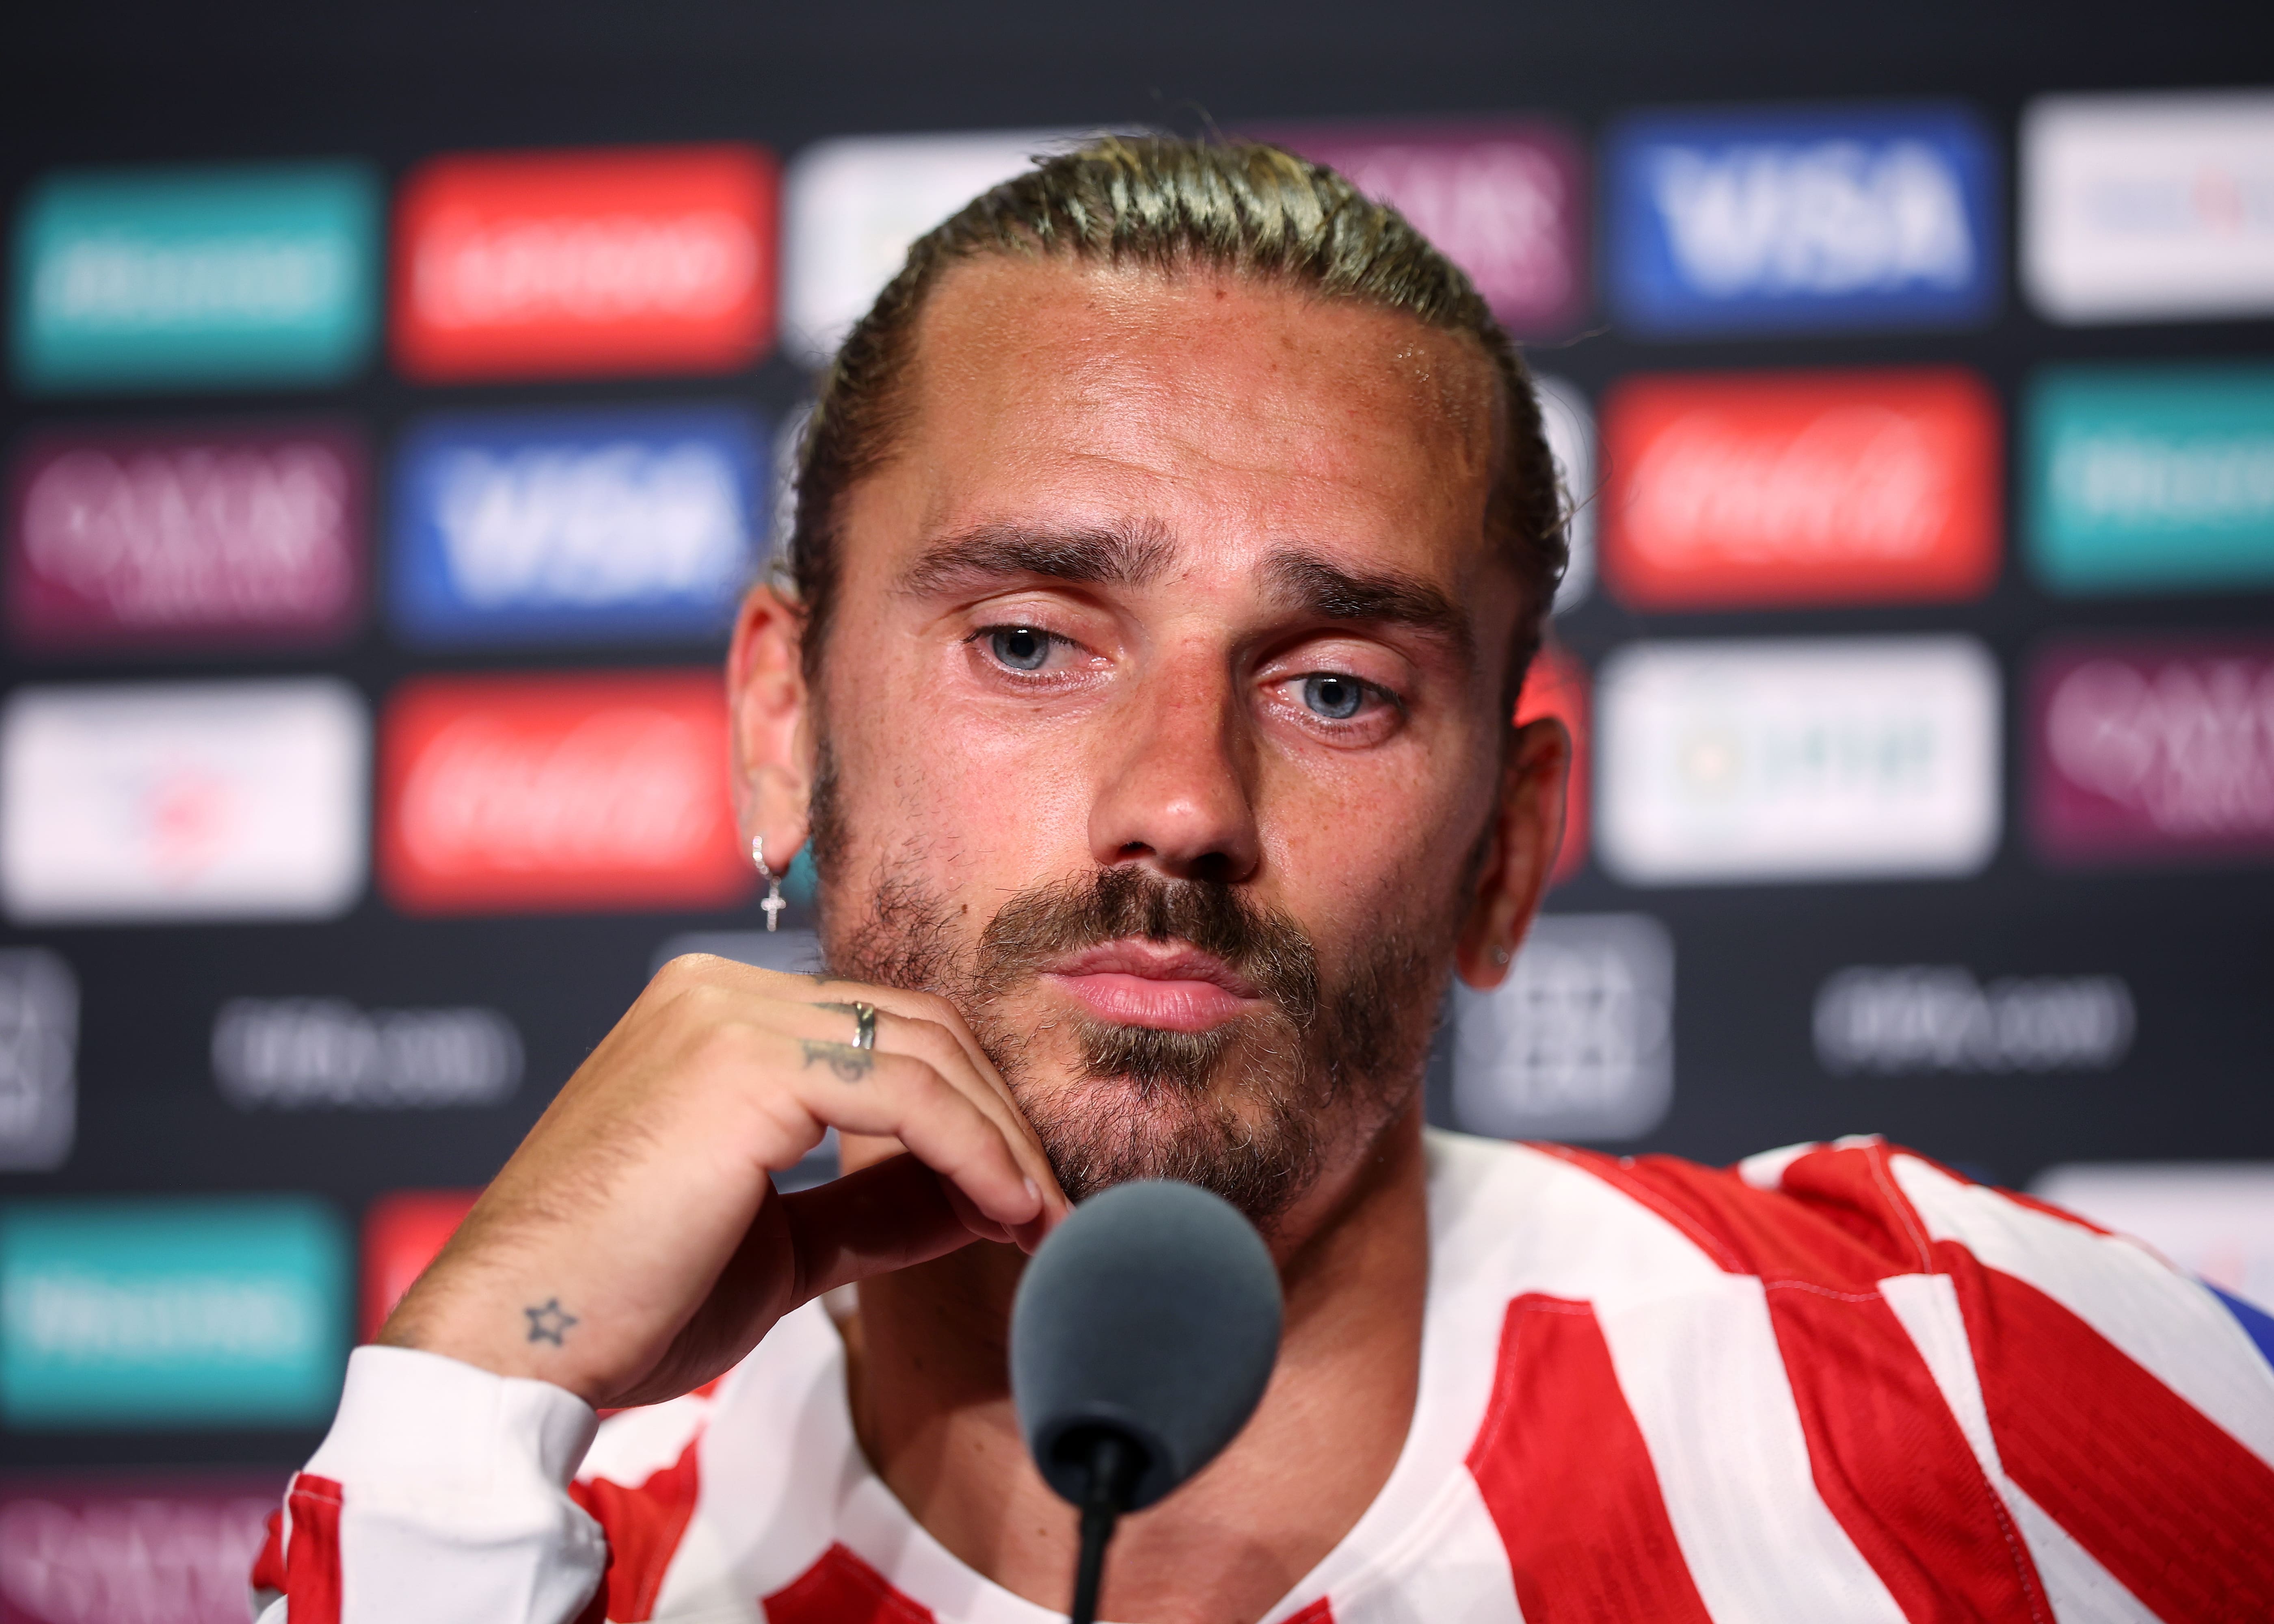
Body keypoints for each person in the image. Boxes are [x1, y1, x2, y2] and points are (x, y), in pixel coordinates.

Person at [251, 137, 2274, 1624]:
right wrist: (463, 1405)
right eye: (1030, 642)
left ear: (1505, 847)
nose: (1179, 801)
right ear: (786, 721)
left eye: (1329, 686)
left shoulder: (1958, 1381)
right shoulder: (521, 1530)